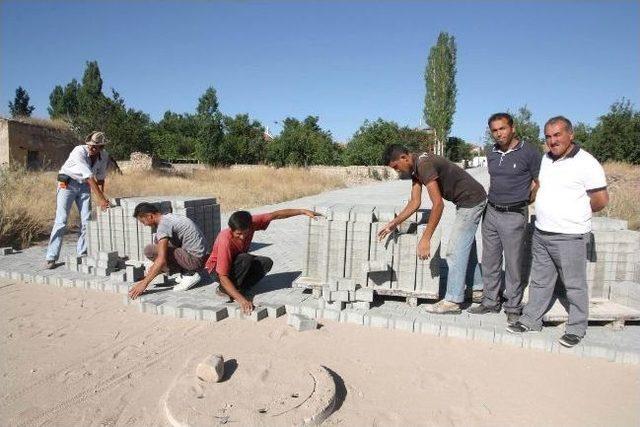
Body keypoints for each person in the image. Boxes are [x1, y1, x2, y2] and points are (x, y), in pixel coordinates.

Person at [507, 116, 609, 348]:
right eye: (548, 137)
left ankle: (576, 328)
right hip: (542, 232)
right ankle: (531, 320)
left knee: (574, 284)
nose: (553, 141)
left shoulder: (587, 163)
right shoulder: (545, 159)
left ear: (570, 134)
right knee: (540, 281)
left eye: (557, 135)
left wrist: (577, 215)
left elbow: (601, 200)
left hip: (570, 236)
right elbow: (539, 187)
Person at [380, 144, 487, 314]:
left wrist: (425, 238)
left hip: (471, 201)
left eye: (396, 167)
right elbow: (415, 202)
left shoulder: (423, 165)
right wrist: (394, 222)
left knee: (454, 251)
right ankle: (477, 289)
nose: (397, 171)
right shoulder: (415, 168)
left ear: (404, 158)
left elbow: (438, 204)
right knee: (466, 247)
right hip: (467, 200)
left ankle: (452, 300)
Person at [468, 113, 541, 325]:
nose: (499, 133)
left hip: (514, 215)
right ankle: (490, 301)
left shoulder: (529, 152)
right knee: (490, 261)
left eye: (502, 128)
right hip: (491, 212)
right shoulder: (491, 152)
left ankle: (513, 306)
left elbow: (539, 181)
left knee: (513, 263)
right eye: (494, 130)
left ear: (513, 128)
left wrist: (527, 200)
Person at [205, 209, 320, 314]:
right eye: (238, 234)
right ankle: (223, 289)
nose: (242, 237)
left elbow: (276, 215)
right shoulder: (225, 240)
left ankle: (237, 289)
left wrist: (302, 211)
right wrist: (242, 301)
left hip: (237, 262)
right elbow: (223, 275)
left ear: (250, 226)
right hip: (216, 270)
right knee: (246, 259)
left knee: (266, 263)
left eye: (245, 232)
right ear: (231, 229)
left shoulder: (251, 222)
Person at [45, 131, 112, 268]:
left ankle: (82, 253)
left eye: (95, 147)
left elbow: (100, 179)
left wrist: (103, 198)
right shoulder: (78, 151)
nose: (92, 148)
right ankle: (51, 257)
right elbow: (89, 177)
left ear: (101, 148)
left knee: (86, 220)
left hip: (85, 187)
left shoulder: (104, 156)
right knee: (61, 220)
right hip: (67, 185)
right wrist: (101, 199)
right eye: (90, 145)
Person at [128, 202, 207, 299]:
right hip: (199, 257)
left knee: (150, 250)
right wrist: (155, 268)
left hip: (195, 260)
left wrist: (144, 283)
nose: (144, 225)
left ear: (150, 216)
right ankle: (185, 271)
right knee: (158, 241)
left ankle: (190, 274)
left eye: (143, 221)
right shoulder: (167, 217)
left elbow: (161, 260)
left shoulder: (163, 226)